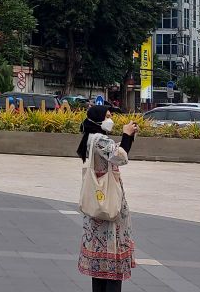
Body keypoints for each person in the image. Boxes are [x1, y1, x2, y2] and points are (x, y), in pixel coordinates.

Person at [77, 105, 139, 292]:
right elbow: (120, 157)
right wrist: (126, 135)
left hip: (98, 206)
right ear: (98, 119)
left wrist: (128, 138)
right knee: (112, 263)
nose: (110, 119)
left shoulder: (92, 138)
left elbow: (114, 153)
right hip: (108, 207)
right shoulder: (99, 139)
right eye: (107, 116)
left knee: (100, 267)